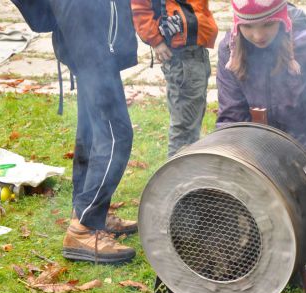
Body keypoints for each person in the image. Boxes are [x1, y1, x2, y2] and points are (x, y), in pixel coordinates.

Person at [44, 0, 139, 264]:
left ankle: (88, 212)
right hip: (89, 41)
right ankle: (84, 227)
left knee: (93, 130)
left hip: (87, 39)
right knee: (116, 134)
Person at [216, 0, 306, 164]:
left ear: (282, 18)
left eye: (267, 24)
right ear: (236, 24)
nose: (258, 35)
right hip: (256, 161)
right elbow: (232, 121)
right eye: (248, 26)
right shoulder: (230, 53)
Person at [131, 0, 218, 158]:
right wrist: (155, 40)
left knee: (192, 122)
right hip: (182, 57)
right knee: (184, 131)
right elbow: (139, 8)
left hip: (196, 50)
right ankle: (177, 179)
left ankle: (187, 173)